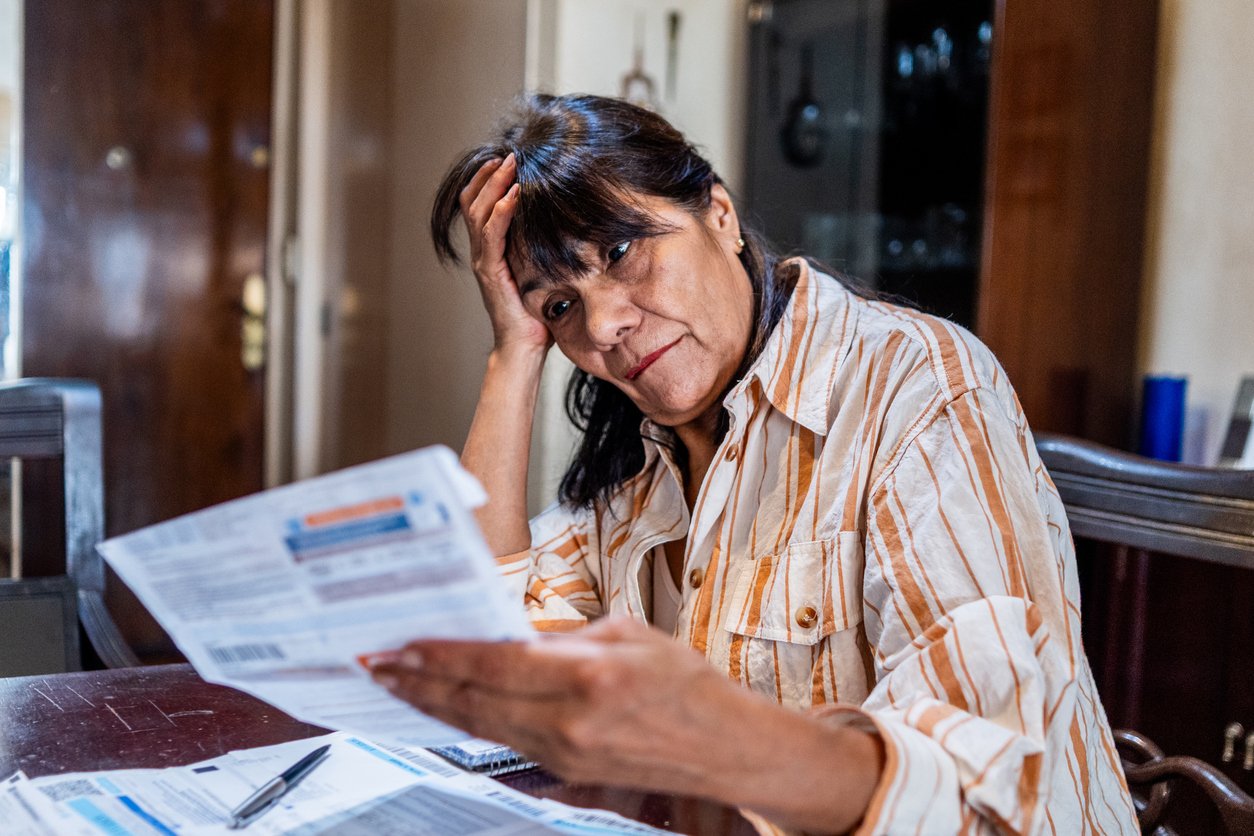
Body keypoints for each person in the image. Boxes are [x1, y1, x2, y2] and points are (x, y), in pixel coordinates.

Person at [369, 94, 1137, 835]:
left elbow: (984, 789)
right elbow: (483, 641)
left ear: (721, 214)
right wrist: (514, 351)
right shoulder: (638, 465)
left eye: (622, 252)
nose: (603, 325)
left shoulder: (915, 386)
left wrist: (717, 735)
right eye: (560, 306)